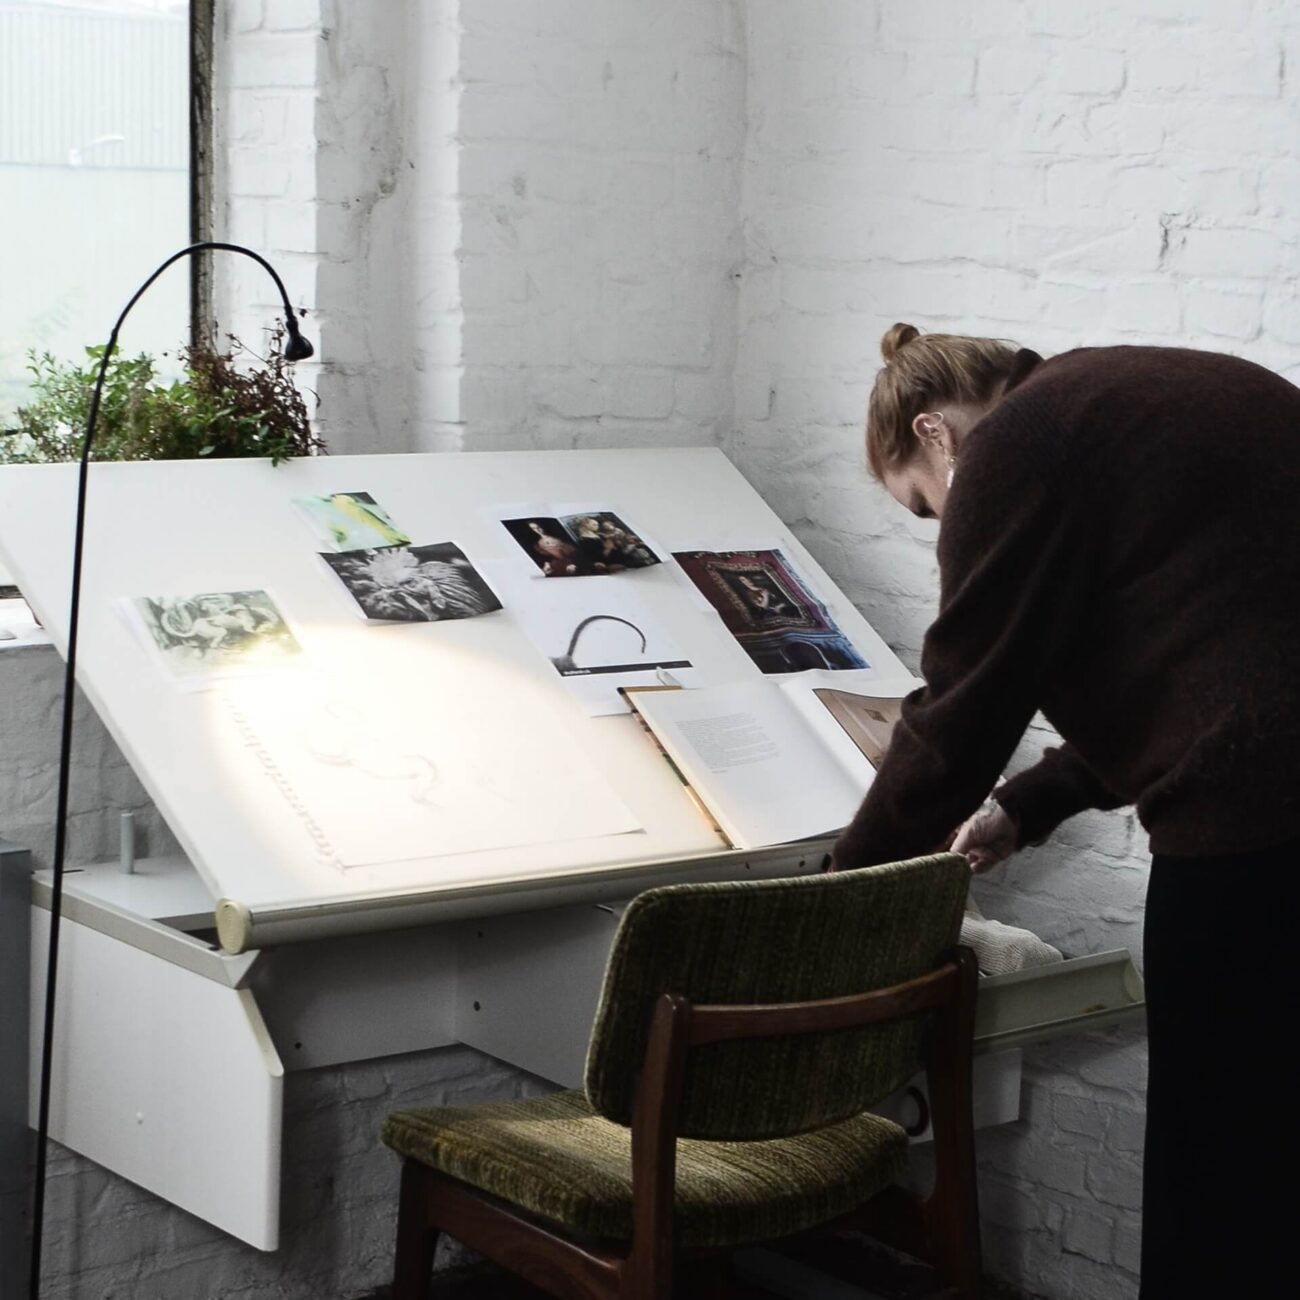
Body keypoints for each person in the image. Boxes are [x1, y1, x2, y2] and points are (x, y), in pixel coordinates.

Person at [830, 322, 1300, 1299]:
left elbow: (962, 702)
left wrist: (842, 894)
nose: (940, 528)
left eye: (923, 507)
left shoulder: (1021, 443)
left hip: (1253, 837)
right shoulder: (1138, 388)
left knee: (1212, 1172)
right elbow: (1210, 651)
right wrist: (1029, 803)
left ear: (937, 434)